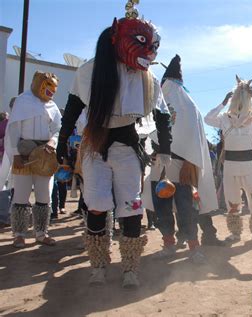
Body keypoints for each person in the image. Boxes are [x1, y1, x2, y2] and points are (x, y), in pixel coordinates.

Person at [56, 1, 172, 289]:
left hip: (129, 147)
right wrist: (62, 141)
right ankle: (98, 265)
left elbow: (162, 115)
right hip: (96, 146)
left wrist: (165, 148)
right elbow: (71, 109)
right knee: (95, 206)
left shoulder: (148, 78)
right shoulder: (89, 72)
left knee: (131, 206)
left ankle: (130, 267)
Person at [143, 55, 224, 263]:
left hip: (181, 166)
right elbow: (148, 129)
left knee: (185, 207)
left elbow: (195, 138)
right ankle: (169, 244)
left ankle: (194, 248)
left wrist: (190, 161)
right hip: (160, 164)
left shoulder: (189, 107)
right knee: (163, 208)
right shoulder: (156, 103)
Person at [205, 76, 252, 244]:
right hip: (230, 166)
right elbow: (207, 118)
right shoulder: (224, 119)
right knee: (232, 201)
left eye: (245, 97)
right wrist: (223, 103)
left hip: (249, 165)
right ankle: (235, 233)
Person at [5, 71, 62, 248]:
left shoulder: (52, 106)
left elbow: (57, 129)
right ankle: (19, 234)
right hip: (23, 153)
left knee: (44, 195)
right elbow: (13, 129)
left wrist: (53, 141)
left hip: (44, 156)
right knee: (21, 195)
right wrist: (15, 154)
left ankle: (41, 232)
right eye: (48, 85)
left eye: (54, 87)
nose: (51, 90)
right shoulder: (23, 101)